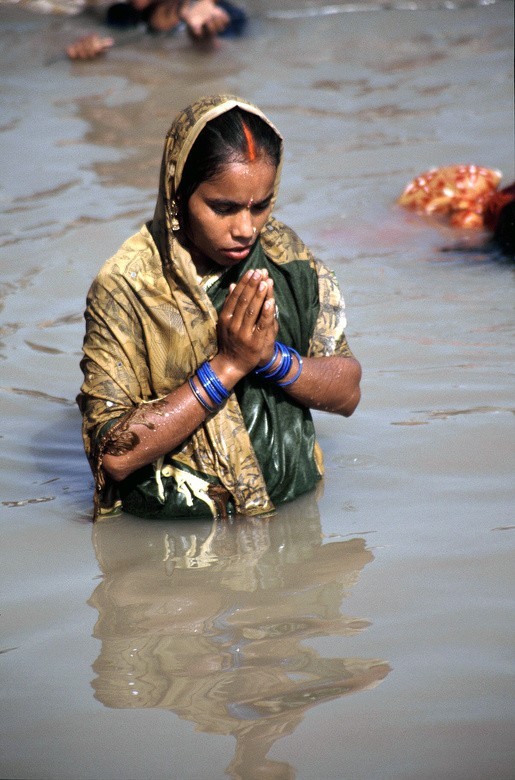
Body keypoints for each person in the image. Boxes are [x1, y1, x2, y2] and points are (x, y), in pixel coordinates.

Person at [77, 94, 362, 521]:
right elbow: (113, 454)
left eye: (261, 205)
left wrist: (270, 359)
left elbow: (348, 392)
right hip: (176, 558)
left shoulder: (288, 259)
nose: (246, 229)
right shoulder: (128, 287)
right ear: (178, 195)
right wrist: (228, 366)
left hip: (295, 524)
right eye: (223, 208)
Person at [66, 0, 247, 61]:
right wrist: (84, 52)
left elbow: (227, 60)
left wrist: (205, 41)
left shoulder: (229, 17)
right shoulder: (120, 16)